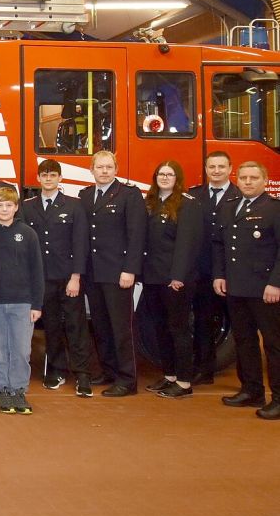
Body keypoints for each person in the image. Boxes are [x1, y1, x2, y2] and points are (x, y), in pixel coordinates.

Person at [213, 161, 280, 420]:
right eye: (243, 178)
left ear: (264, 180)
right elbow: (220, 244)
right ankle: (251, 389)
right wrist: (219, 275)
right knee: (244, 341)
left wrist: (276, 283)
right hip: (236, 287)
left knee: (273, 345)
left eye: (254, 177)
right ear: (237, 180)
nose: (248, 182)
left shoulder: (273, 209)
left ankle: (278, 397)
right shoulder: (230, 207)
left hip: (265, 289)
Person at [20, 160, 92, 397]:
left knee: (76, 325)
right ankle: (56, 369)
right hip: (43, 278)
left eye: (53, 175)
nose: (48, 178)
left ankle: (82, 374)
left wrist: (76, 277)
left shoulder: (74, 206)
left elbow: (80, 243)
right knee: (51, 326)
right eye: (44, 175)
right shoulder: (27, 207)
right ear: (38, 178)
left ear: (60, 178)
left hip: (67, 277)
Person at [78, 150, 146, 397]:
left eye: (109, 167)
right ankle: (108, 371)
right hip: (93, 273)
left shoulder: (129, 195)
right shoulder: (85, 196)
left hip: (118, 273)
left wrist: (130, 269)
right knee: (101, 325)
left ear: (116, 170)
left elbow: (136, 235)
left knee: (121, 328)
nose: (104, 171)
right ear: (91, 170)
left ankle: (127, 379)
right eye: (99, 167)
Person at [142, 161, 202, 399]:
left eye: (170, 174)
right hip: (153, 277)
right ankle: (169, 376)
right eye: (161, 174)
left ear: (178, 178)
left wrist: (178, 276)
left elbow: (187, 245)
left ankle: (185, 382)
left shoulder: (188, 205)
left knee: (179, 329)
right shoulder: (151, 203)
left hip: (175, 279)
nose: (165, 178)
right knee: (160, 328)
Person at [0, 187, 43, 414]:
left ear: (16, 207)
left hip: (22, 303)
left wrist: (36, 304)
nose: (4, 209)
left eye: (8, 205)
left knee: (20, 350)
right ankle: (2, 391)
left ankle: (18, 390)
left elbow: (37, 271)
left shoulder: (28, 234)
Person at [189, 151, 240, 384]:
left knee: (241, 326)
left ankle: (247, 379)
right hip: (202, 271)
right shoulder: (193, 195)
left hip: (234, 273)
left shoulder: (241, 196)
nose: (216, 171)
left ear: (231, 169)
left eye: (221, 166)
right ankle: (204, 369)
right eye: (212, 167)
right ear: (206, 169)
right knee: (203, 322)